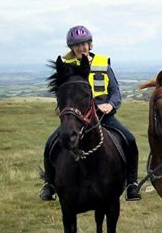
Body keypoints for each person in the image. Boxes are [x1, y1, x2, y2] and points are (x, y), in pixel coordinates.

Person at [40, 25, 141, 201]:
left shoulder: (102, 63)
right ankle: (50, 184)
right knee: (51, 144)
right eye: (77, 45)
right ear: (71, 48)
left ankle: (132, 183)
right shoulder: (67, 67)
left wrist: (111, 105)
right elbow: (62, 92)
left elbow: (115, 91)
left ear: (90, 44)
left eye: (84, 44)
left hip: (103, 115)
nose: (81, 48)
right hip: (77, 118)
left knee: (129, 140)